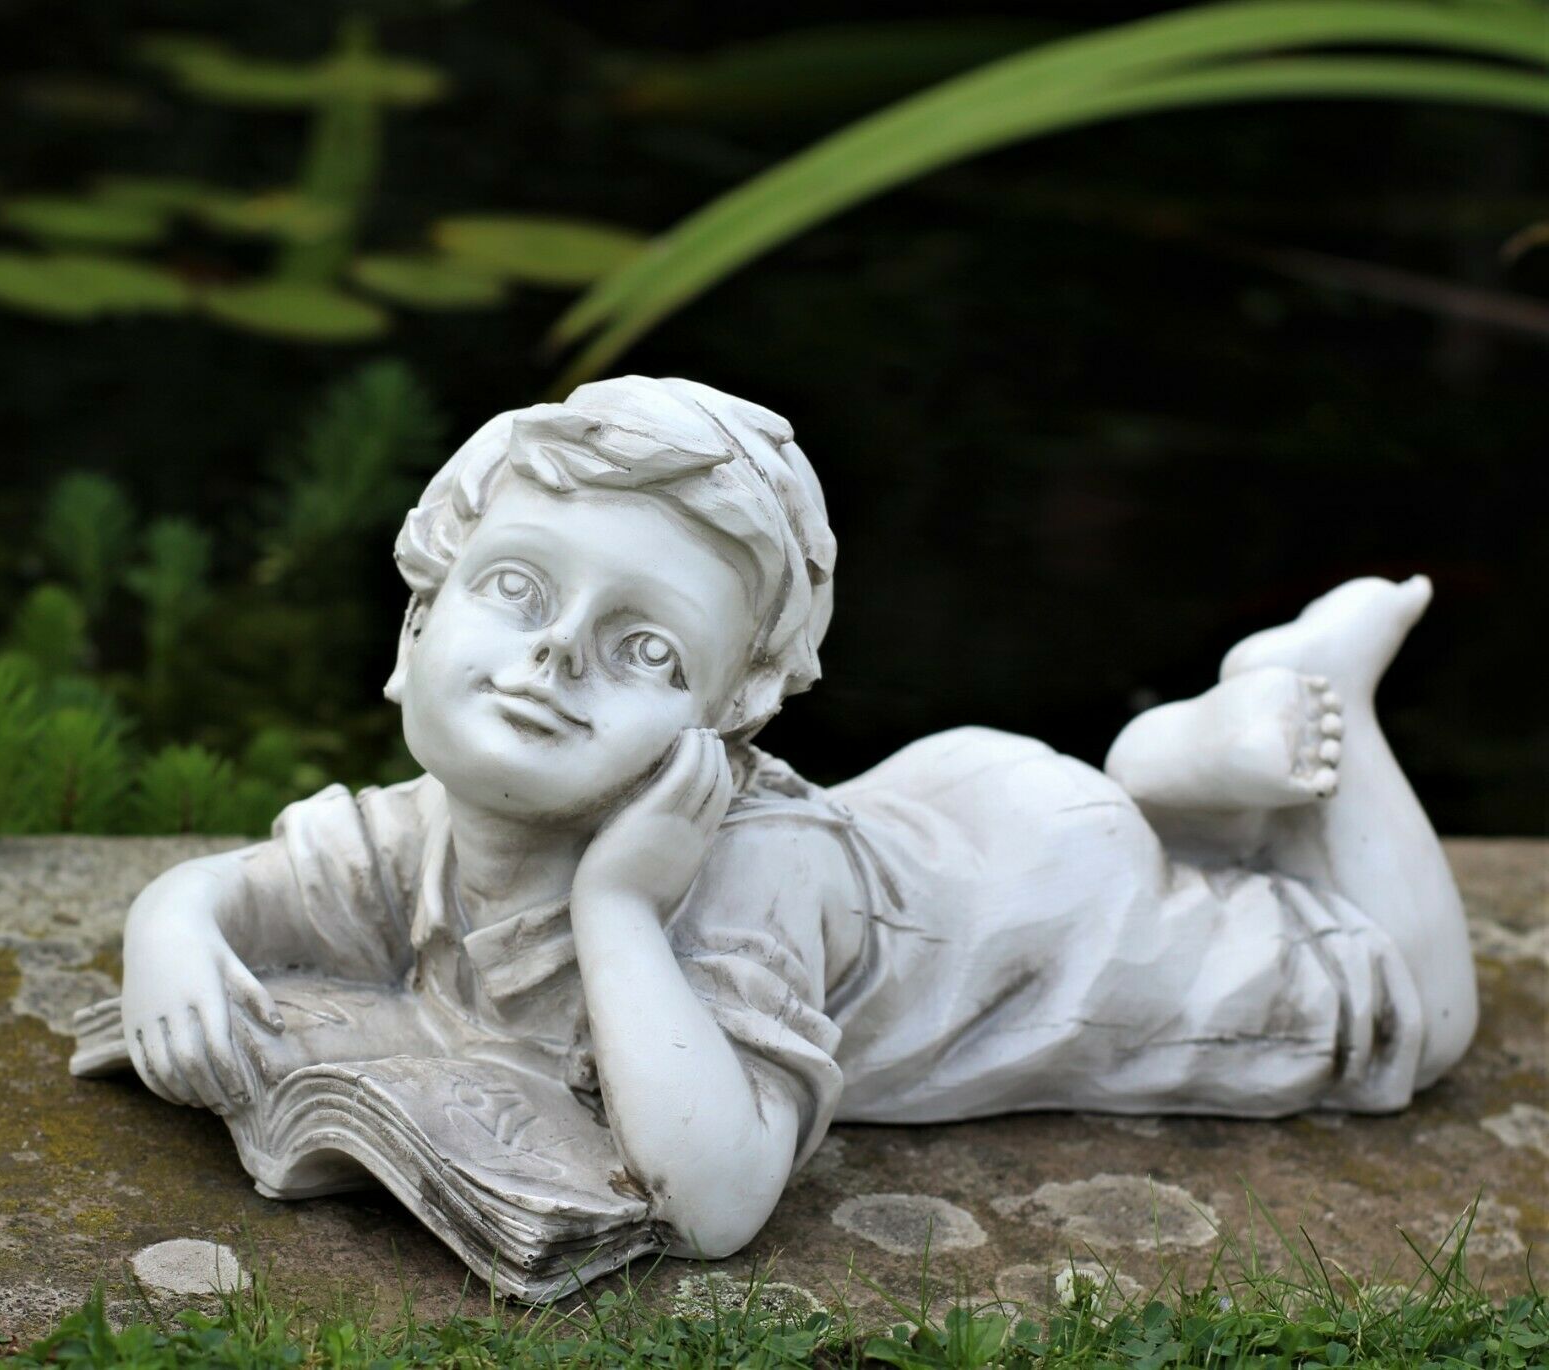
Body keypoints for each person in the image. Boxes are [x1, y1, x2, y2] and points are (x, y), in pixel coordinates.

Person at [117, 376, 1478, 1260]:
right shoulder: (430, 827)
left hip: (1039, 924)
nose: (553, 658)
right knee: (1186, 851)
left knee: (1410, 1014)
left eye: (645, 648)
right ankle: (1167, 776)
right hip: (955, 814)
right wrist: (170, 928)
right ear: (419, 620)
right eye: (518, 589)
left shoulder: (745, 878)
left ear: (724, 723)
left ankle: (1313, 698)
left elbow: (710, 1199)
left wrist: (620, 907)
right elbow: (235, 889)